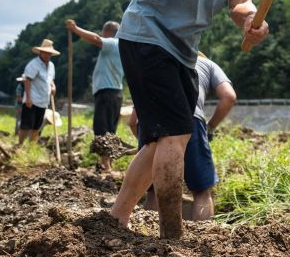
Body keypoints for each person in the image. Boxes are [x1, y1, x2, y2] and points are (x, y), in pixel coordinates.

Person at [110, 0, 290, 238]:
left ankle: (116, 217)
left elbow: (240, 3)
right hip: (148, 33)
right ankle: (171, 232)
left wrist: (250, 22)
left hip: (183, 51)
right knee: (178, 133)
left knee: (159, 139)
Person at [136, 53, 236, 221]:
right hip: (190, 120)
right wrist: (209, 127)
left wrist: (147, 140)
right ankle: (204, 236)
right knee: (202, 191)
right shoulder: (208, 64)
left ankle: (149, 235)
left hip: (151, 119)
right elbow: (229, 97)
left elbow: (133, 121)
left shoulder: (160, 58)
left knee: (152, 188)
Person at [65, 18, 124, 171]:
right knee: (110, 129)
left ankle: (105, 163)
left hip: (107, 93)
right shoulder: (122, 47)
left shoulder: (113, 43)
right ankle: (107, 163)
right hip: (114, 92)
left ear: (107, 33)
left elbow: (96, 39)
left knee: (102, 128)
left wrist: (76, 29)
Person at [21, 39, 58, 144]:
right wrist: (28, 98)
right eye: (45, 52)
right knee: (26, 126)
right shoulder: (33, 64)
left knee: (37, 126)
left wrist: (53, 87)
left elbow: (51, 80)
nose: (47, 55)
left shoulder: (51, 66)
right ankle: (20, 146)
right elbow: (27, 80)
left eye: (49, 53)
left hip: (43, 101)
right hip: (32, 99)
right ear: (41, 52)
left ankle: (31, 147)